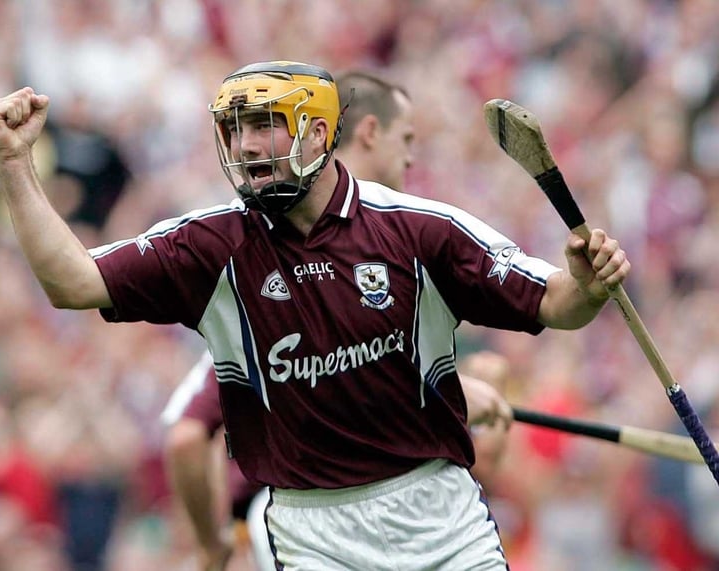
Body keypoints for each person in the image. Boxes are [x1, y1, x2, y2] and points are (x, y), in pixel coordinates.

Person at [0, 61, 630, 570]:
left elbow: (557, 303)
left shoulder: (418, 228)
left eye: (263, 125)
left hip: (440, 514)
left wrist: (588, 283)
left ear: (319, 134)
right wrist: (15, 164)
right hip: (310, 532)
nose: (245, 145)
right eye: (234, 130)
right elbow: (72, 282)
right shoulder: (209, 246)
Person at [159, 70, 513, 571]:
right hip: (299, 525)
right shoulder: (265, 262)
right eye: (406, 138)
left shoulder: (407, 239)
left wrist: (451, 391)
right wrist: (211, 547)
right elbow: (186, 435)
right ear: (368, 132)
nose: (411, 158)